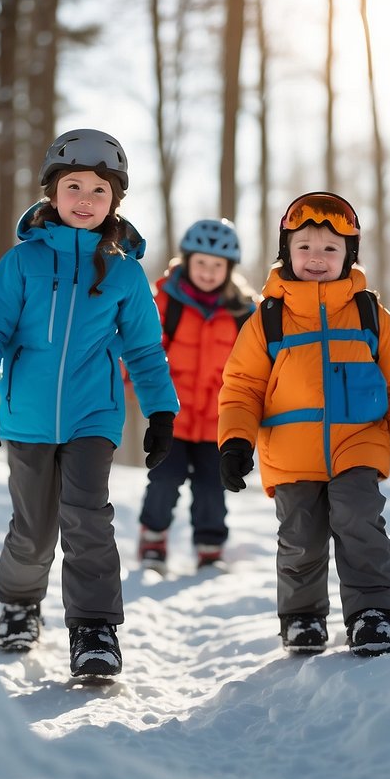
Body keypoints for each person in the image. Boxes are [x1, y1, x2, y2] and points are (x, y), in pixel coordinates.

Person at [0, 128, 179, 678]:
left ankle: (94, 630)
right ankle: (19, 604)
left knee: (88, 520)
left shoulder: (125, 274)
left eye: (99, 190)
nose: (85, 199)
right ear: (51, 194)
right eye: (73, 186)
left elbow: (146, 350)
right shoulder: (23, 264)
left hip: (92, 416)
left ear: (115, 201)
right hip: (27, 417)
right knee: (33, 531)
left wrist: (161, 411)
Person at [217, 191, 390, 657]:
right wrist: (235, 443)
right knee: (300, 536)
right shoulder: (268, 320)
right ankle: (302, 617)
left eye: (329, 249)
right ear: (286, 251)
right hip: (290, 449)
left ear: (348, 256)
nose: (316, 258)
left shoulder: (370, 316)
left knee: (359, 521)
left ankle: (372, 614)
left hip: (358, 441)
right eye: (304, 247)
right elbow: (241, 387)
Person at [135, 219, 257, 573]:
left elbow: (257, 364)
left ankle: (209, 546)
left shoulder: (243, 313)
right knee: (164, 480)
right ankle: (154, 538)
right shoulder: (166, 304)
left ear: (229, 269)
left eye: (217, 265)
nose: (208, 272)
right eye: (201, 263)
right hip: (172, 417)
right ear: (186, 261)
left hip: (218, 423)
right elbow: (143, 347)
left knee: (212, 488)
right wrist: (127, 379)